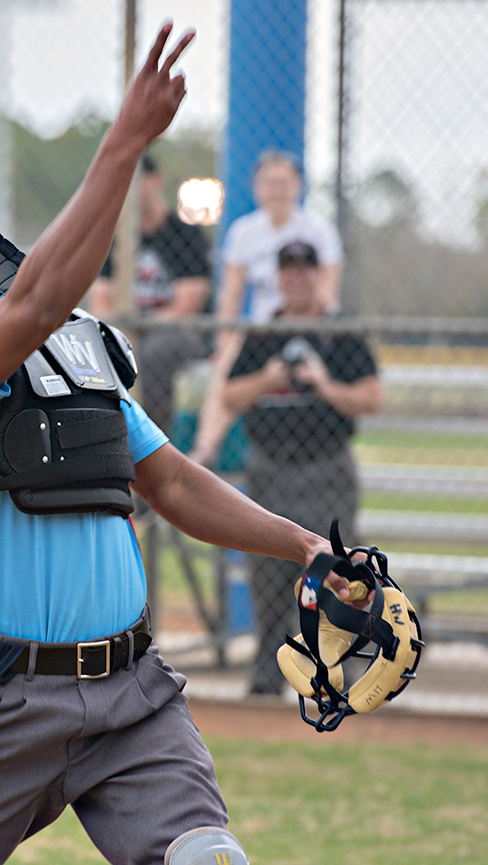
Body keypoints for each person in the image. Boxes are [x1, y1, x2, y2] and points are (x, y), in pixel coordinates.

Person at [0, 24, 366, 865]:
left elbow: (173, 484)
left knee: (209, 859)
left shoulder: (80, 340)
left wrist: (304, 545)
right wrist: (126, 142)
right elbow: (36, 300)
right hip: (8, 700)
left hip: (134, 697)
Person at [220, 240, 383, 695]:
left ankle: (335, 677)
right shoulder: (263, 335)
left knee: (334, 577)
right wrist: (268, 378)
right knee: (269, 578)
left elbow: (372, 398)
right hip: (271, 468)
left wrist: (324, 385)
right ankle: (268, 677)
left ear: (317, 276)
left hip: (326, 470)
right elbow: (229, 397)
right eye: (288, 271)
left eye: (305, 270)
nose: (297, 279)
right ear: (279, 278)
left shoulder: (339, 334)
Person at [188, 148, 344, 468]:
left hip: (304, 329)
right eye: (269, 183)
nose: (277, 191)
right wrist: (225, 345)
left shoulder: (319, 232)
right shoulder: (244, 232)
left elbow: (327, 297)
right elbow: (230, 298)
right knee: (226, 372)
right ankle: (204, 452)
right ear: (257, 188)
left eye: (284, 182)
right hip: (261, 332)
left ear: (298, 187)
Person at [87, 152, 213, 436]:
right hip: (127, 328)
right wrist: (122, 330)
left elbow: (188, 303)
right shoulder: (113, 236)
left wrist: (136, 328)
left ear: (156, 180)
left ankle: (152, 439)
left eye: (137, 179)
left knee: (153, 352)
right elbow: (100, 301)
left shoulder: (184, 234)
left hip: (179, 333)